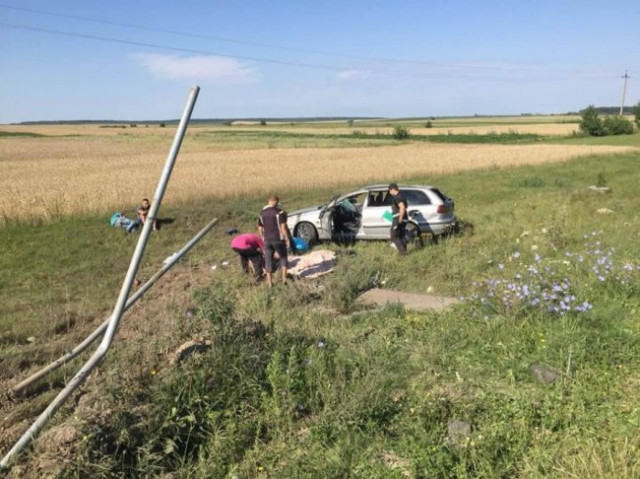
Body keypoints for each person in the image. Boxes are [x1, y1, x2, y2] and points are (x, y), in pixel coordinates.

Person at [258, 195, 291, 287]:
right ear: (277, 202)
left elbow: (260, 228)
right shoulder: (280, 212)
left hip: (267, 240)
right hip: (278, 239)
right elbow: (283, 227)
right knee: (283, 257)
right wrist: (287, 239)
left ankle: (270, 283)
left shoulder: (262, 213)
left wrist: (263, 238)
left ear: (269, 201)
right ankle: (284, 279)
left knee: (268, 260)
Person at [388, 183, 408, 255]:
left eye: (389, 190)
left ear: (393, 189)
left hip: (398, 218)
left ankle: (402, 252)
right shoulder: (401, 195)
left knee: (394, 235)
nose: (389, 192)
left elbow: (402, 207)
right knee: (401, 235)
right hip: (403, 217)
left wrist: (400, 219)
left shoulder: (398, 197)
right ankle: (404, 251)